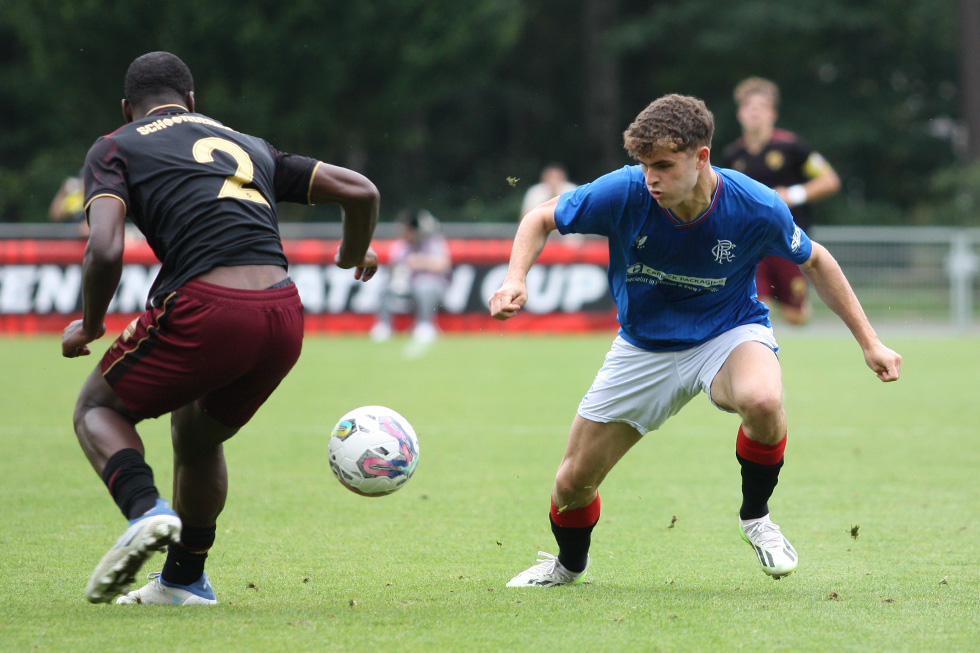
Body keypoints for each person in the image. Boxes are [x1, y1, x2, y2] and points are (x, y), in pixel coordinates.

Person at [489, 94, 901, 588]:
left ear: (701, 157)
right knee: (572, 483)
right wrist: (516, 279)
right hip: (642, 347)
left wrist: (869, 342)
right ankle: (568, 565)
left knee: (763, 399)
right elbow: (539, 218)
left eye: (663, 165)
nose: (651, 178)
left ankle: (757, 518)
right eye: (644, 165)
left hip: (727, 333)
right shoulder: (624, 191)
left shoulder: (754, 205)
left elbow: (815, 260)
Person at [62, 52, 379, 605]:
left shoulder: (116, 145)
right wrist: (351, 255)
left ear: (127, 108)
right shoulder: (249, 144)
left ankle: (145, 512)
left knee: (98, 409)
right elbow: (362, 192)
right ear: (191, 101)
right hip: (284, 315)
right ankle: (185, 580)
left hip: (208, 306)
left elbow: (106, 247)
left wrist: (89, 325)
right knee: (197, 433)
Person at [720, 77, 841, 325]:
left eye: (761, 106)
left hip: (789, 239)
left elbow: (829, 180)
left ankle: (793, 301)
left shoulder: (793, 147)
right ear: (740, 113)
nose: (755, 112)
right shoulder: (733, 155)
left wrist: (793, 195)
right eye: (748, 106)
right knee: (756, 307)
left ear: (772, 113)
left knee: (795, 317)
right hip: (751, 242)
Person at [369, 208, 452, 345]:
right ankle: (384, 326)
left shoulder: (434, 243)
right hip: (406, 284)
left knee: (424, 287)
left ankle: (425, 325)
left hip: (432, 287)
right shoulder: (400, 245)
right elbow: (393, 267)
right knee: (384, 287)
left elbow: (444, 265)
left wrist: (421, 262)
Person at [49, 173, 90, 237]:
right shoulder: (74, 197)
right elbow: (56, 215)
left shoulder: (96, 198)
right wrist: (63, 191)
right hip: (72, 239)